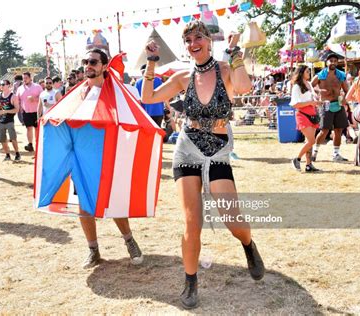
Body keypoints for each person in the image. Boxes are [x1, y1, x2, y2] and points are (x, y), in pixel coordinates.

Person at [141, 21, 265, 309]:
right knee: (191, 221)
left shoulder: (225, 69)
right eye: (188, 39)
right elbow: (148, 97)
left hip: (218, 150)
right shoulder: (184, 77)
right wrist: (151, 62)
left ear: (210, 41)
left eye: (198, 37)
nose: (193, 42)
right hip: (188, 149)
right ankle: (190, 281)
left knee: (232, 220)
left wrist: (234, 53)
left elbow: (245, 87)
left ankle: (248, 244)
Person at [77, 48, 144, 270]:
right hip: (83, 156)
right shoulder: (79, 93)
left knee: (114, 202)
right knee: (85, 205)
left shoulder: (117, 90)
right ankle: (93, 250)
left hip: (111, 154)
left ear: (104, 66)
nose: (88, 65)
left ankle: (129, 240)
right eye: (86, 61)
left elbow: (134, 116)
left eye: (93, 61)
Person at [311, 53, 349, 162]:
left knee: (338, 130)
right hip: (325, 105)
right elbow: (309, 87)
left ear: (337, 63)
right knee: (324, 130)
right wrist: (318, 91)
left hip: (338, 104)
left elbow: (347, 90)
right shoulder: (320, 75)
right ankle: (314, 153)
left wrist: (345, 99)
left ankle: (336, 154)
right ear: (326, 62)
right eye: (331, 60)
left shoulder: (341, 75)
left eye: (335, 61)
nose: (333, 62)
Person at [290, 65, 322, 172]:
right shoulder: (296, 86)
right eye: (307, 71)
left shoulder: (309, 84)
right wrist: (310, 102)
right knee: (312, 141)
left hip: (312, 113)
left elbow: (311, 99)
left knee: (309, 141)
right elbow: (295, 104)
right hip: (303, 115)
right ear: (302, 72)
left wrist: (317, 101)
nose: (309, 73)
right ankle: (297, 159)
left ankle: (309, 165)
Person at [16, 72, 43, 152]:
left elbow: (43, 98)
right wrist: (19, 107)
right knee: (28, 128)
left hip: (36, 111)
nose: (24, 80)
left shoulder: (37, 87)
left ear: (30, 78)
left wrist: (34, 99)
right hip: (26, 111)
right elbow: (17, 99)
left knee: (37, 128)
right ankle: (30, 144)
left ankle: (38, 145)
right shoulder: (20, 88)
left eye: (26, 78)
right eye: (23, 78)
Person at [0, 80, 21, 162]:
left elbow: (17, 109)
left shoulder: (13, 96)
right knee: (2, 139)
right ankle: (7, 155)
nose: (1, 86)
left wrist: (5, 111)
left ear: (8, 85)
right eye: (1, 84)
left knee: (13, 138)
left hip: (10, 120)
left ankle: (17, 153)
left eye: (3, 84)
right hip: (1, 120)